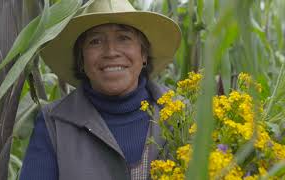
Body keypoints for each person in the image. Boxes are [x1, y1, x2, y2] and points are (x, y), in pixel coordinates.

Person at [20, 0, 181, 179]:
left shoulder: (181, 114)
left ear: (143, 54)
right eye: (95, 41)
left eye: (124, 38)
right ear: (81, 60)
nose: (111, 52)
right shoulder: (54, 125)